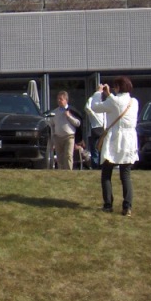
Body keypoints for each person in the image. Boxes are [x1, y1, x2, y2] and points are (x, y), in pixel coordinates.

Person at [92, 76, 139, 217]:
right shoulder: (134, 102)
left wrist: (98, 92)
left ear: (118, 87)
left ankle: (108, 205)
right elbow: (117, 103)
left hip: (115, 139)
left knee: (106, 173)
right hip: (129, 140)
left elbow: (95, 107)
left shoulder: (113, 101)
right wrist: (109, 94)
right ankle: (127, 206)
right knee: (126, 175)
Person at [51, 91, 82, 170]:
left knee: (68, 155)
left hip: (69, 137)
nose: (59, 100)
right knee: (59, 157)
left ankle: (68, 172)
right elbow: (52, 124)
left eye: (61, 99)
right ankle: (61, 172)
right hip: (58, 137)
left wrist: (69, 116)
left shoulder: (71, 110)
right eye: (58, 99)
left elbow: (78, 123)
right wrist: (53, 135)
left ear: (66, 100)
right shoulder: (55, 112)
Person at [84, 86, 107, 169]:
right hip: (95, 128)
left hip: (103, 128)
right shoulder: (93, 103)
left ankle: (101, 166)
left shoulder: (104, 103)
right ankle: (95, 167)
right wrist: (97, 93)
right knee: (95, 150)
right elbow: (87, 108)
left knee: (102, 150)